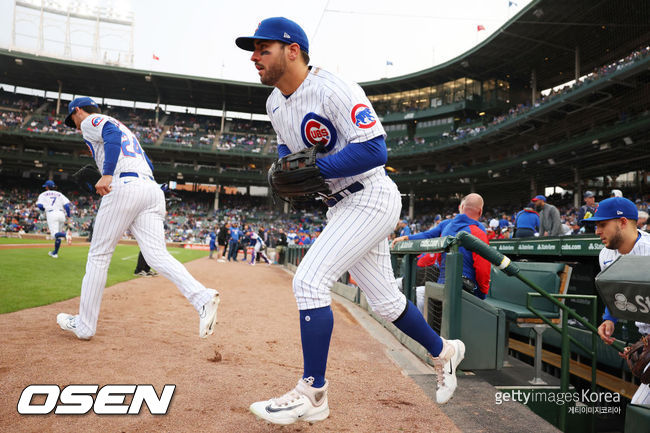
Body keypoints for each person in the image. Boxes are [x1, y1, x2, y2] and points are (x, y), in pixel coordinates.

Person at [236, 17, 465, 425]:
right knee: (386, 301)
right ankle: (445, 351)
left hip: (371, 196)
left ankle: (314, 392)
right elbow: (290, 151)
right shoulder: (274, 102)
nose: (254, 57)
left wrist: (318, 171)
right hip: (340, 205)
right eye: (252, 50)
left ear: (292, 51)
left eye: (262, 48)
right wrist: (289, 170)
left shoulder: (333, 89)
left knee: (309, 281)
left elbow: (376, 150)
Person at [56, 97, 219, 340]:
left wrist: (108, 173)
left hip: (125, 184)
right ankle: (202, 297)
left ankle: (85, 325)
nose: (76, 126)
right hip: (150, 188)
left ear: (78, 110)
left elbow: (110, 135)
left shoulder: (92, 120)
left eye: (73, 120)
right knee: (157, 255)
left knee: (99, 255)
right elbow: (147, 161)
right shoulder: (127, 129)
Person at [586, 197, 650, 405]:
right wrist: (609, 318)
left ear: (622, 222)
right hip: (646, 334)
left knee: (640, 407)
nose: (597, 231)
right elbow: (617, 293)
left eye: (602, 225)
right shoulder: (605, 255)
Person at [36, 180, 72, 258]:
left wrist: (44, 210)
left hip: (51, 214)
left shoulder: (43, 194)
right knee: (58, 235)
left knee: (54, 235)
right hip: (61, 214)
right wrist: (68, 216)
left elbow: (39, 206)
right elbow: (67, 206)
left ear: (47, 187)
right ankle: (55, 253)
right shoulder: (60, 194)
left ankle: (66, 235)